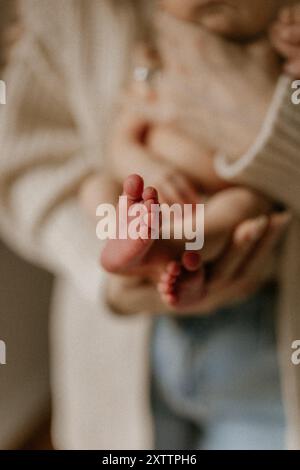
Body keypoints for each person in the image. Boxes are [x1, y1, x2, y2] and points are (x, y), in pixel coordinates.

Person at [0, 0, 299, 449]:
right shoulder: (157, 51)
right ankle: (129, 240)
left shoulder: (276, 41)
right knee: (97, 187)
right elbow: (124, 132)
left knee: (240, 209)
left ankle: (178, 242)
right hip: (145, 206)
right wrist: (143, 167)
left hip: (233, 205)